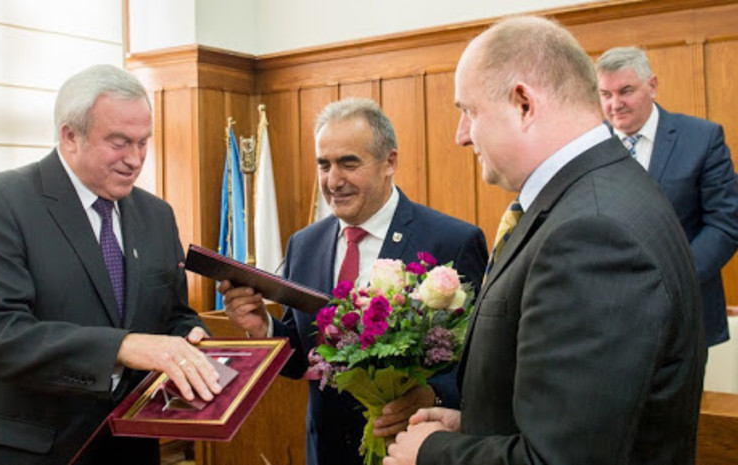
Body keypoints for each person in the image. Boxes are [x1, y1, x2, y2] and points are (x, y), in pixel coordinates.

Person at [386, 16, 705, 465]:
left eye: (469, 111)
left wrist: (432, 453)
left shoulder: (593, 234)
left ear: (524, 104)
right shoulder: (594, 195)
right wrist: (474, 427)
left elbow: (561, 458)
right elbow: (577, 413)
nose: (461, 135)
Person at [0, 65, 223, 465]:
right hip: (34, 452)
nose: (135, 159)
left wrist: (191, 339)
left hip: (131, 448)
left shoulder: (157, 215)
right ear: (70, 136)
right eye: (119, 143)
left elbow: (173, 315)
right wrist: (123, 347)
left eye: (143, 142)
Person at [218, 98, 488, 465]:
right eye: (323, 164)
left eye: (348, 163)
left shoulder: (451, 241)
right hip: (326, 452)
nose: (333, 181)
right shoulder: (304, 245)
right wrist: (263, 327)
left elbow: (482, 359)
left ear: (389, 162)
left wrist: (433, 395)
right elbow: (304, 357)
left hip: (412, 448)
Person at [596, 46, 738, 347]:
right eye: (606, 94)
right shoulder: (589, 146)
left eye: (626, 91)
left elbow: (725, 224)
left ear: (653, 86)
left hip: (685, 311)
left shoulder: (702, 138)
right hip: (610, 317)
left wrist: (672, 279)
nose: (615, 104)